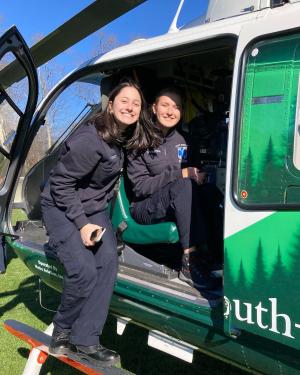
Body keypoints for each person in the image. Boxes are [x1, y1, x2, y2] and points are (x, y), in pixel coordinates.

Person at [41, 80, 159, 367]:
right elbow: (60, 184)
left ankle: (86, 341)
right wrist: (81, 224)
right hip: (60, 206)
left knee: (107, 264)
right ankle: (62, 330)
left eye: (136, 103)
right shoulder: (90, 139)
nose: (130, 107)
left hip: (92, 209)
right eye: (124, 100)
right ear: (111, 103)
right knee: (83, 272)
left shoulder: (122, 139)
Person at [126, 86, 223, 290]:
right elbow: (140, 188)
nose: (171, 111)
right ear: (153, 108)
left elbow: (194, 172)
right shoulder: (139, 140)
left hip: (178, 200)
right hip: (145, 207)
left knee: (211, 192)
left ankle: (216, 256)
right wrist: (181, 174)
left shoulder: (185, 140)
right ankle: (189, 264)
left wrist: (200, 176)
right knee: (183, 185)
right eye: (165, 105)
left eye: (176, 107)